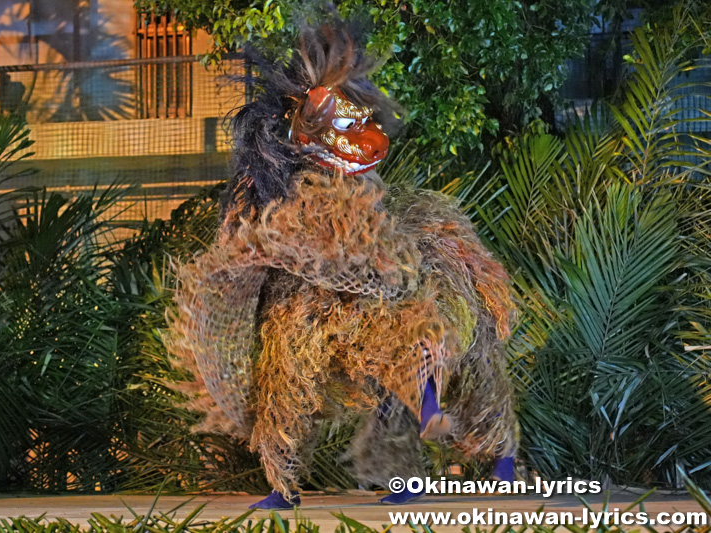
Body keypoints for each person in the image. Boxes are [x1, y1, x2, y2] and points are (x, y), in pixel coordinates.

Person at [167, 21, 518, 509]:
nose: (367, 136)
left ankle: (487, 455)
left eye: (361, 122)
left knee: (422, 346)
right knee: (286, 372)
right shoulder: (291, 210)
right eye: (350, 126)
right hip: (320, 282)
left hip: (383, 284)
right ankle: (282, 484)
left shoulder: (389, 226)